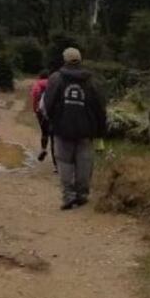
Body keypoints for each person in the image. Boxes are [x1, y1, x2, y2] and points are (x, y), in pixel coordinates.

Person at [43, 48, 108, 210]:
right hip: (86, 129)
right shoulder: (91, 80)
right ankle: (82, 195)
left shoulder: (56, 78)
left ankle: (68, 195)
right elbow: (100, 107)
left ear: (64, 60)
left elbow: (48, 104)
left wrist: (52, 121)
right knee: (84, 162)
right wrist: (100, 130)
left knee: (64, 162)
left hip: (62, 128)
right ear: (80, 60)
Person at [29, 69, 56, 170]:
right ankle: (56, 164)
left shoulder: (37, 84)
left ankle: (43, 149)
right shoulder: (53, 84)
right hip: (52, 112)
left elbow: (35, 98)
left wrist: (35, 110)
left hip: (41, 112)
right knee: (53, 137)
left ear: (40, 76)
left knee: (44, 132)